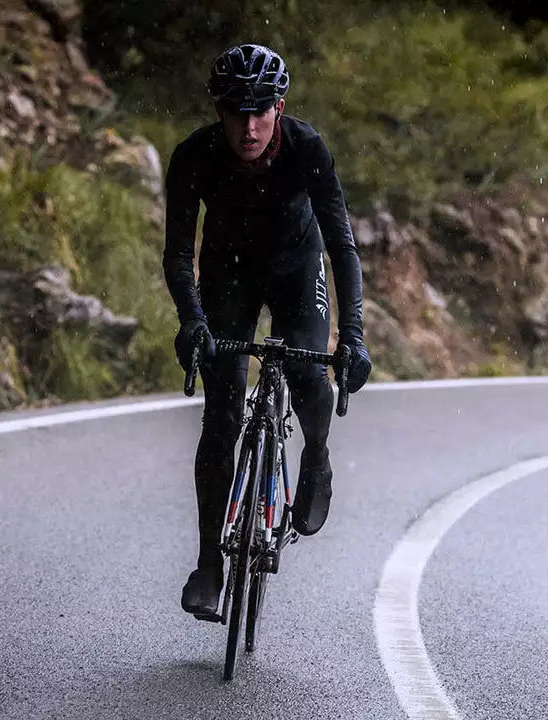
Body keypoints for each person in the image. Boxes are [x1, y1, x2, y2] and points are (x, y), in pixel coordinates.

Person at [161, 43, 372, 618]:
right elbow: (178, 253)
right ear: (219, 110)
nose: (248, 127)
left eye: (260, 111)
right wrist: (192, 320)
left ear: (280, 107)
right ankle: (209, 564)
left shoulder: (307, 149)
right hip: (227, 274)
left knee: (307, 374)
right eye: (236, 111)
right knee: (222, 414)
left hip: (297, 267)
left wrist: (352, 334)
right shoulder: (195, 156)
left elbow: (342, 245)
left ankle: (317, 456)